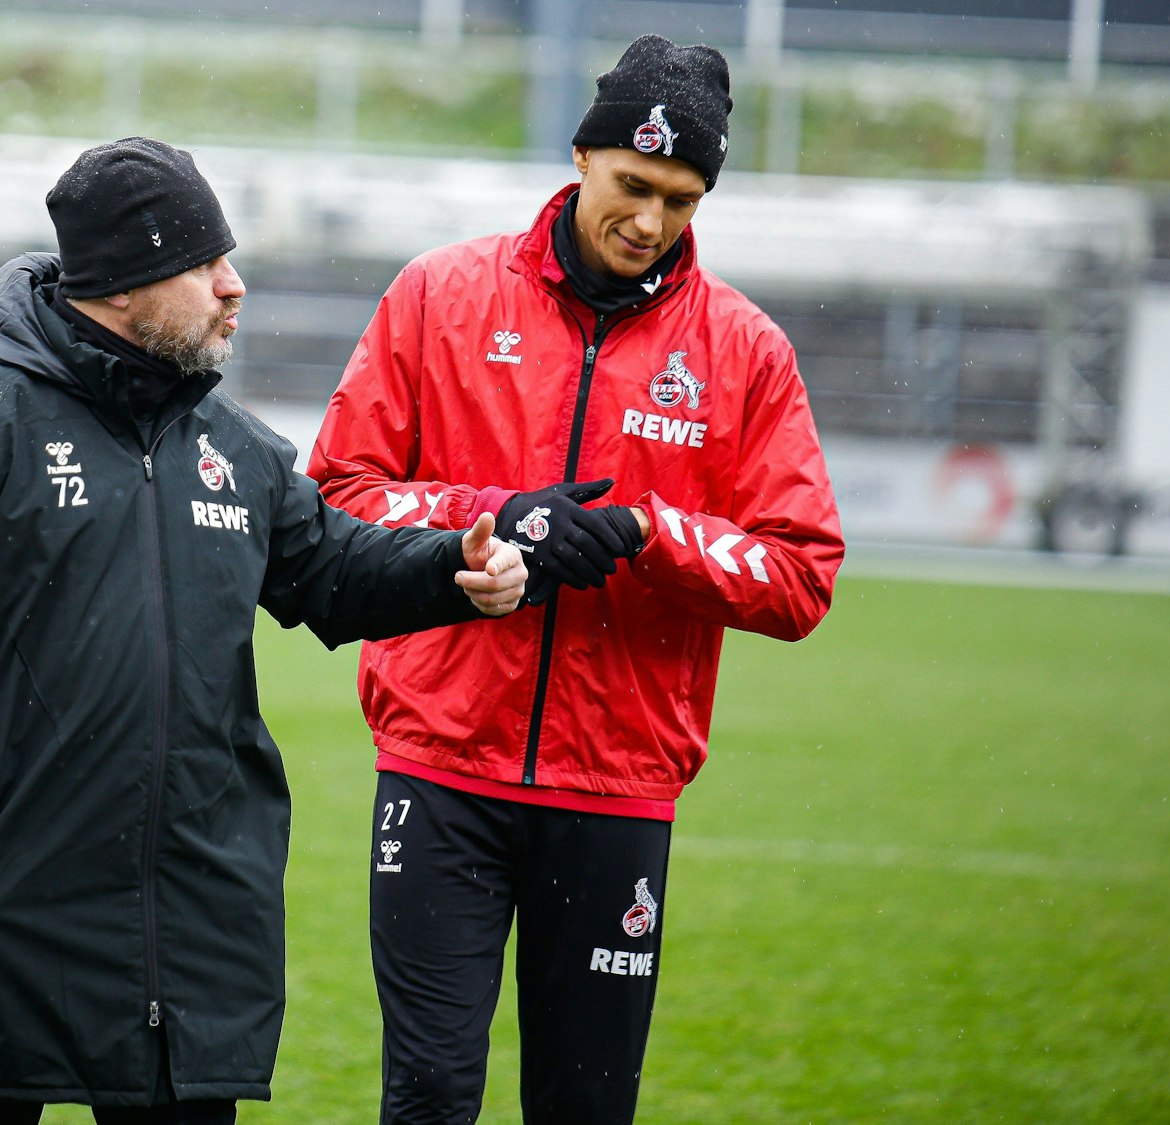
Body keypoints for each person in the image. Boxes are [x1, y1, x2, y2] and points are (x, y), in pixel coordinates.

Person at [0, 137, 528, 1125]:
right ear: (121, 283)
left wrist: (452, 567)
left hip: (189, 920)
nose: (234, 287)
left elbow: (333, 570)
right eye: (204, 264)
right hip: (0, 908)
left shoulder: (234, 448)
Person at [306, 37, 846, 1125]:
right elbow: (337, 497)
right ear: (582, 156)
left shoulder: (744, 349)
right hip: (440, 771)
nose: (649, 221)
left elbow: (800, 575)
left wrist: (651, 533)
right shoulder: (439, 294)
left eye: (681, 201)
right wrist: (491, 515)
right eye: (632, 185)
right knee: (429, 1096)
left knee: (586, 1108)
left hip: (615, 791)